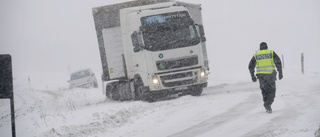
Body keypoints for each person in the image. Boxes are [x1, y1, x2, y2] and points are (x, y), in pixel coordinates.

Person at [248, 42, 283, 114]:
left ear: (260, 47)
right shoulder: (271, 53)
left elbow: (250, 66)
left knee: (264, 91)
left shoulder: (256, 55)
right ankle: (268, 104)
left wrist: (252, 75)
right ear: (267, 47)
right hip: (270, 76)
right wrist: (280, 73)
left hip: (261, 77)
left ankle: (267, 105)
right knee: (272, 91)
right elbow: (278, 62)